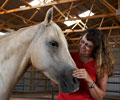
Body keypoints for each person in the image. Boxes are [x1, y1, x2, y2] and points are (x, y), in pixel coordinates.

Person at [57, 28, 113, 100]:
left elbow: (100, 97)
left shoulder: (100, 65)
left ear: (96, 48)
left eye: (88, 45)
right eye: (82, 42)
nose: (82, 46)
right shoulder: (69, 57)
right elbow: (54, 83)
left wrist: (89, 80)